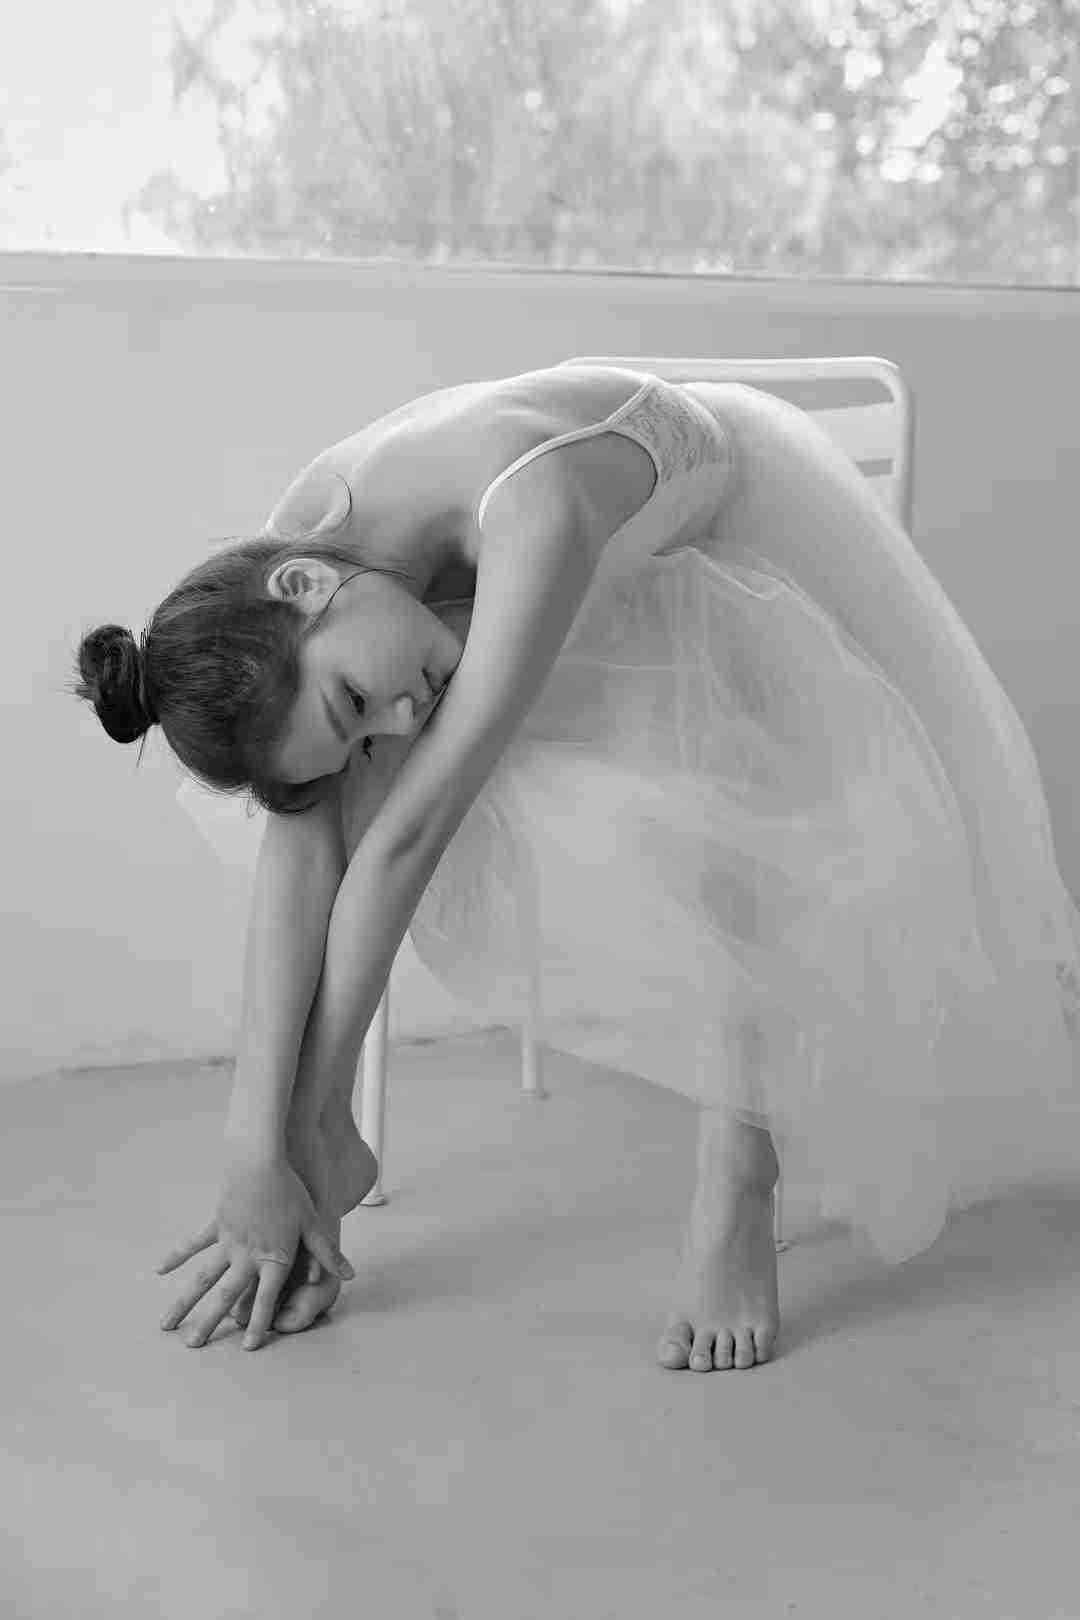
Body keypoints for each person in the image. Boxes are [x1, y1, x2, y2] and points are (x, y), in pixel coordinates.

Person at [74, 364, 1080, 1371]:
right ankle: (316, 1155)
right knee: (332, 801)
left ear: (306, 585)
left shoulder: (535, 506)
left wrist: (310, 1117)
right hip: (529, 601)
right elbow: (303, 850)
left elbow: (411, 839)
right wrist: (257, 1153)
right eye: (361, 720)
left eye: (353, 703)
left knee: (700, 784)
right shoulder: (295, 575)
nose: (398, 722)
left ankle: (738, 1172)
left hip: (719, 545)